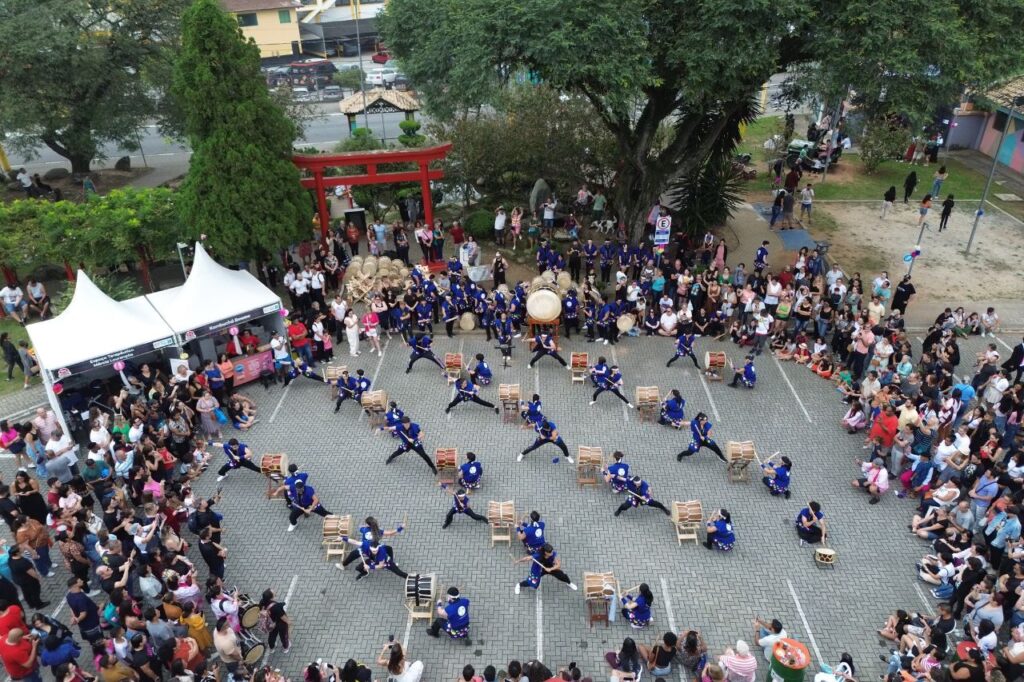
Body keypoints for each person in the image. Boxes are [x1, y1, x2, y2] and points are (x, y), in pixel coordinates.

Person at [336, 536, 408, 582]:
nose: (375, 552)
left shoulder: (381, 552)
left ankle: (409, 577)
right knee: (358, 568)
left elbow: (380, 566)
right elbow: (354, 542)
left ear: (378, 547)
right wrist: (343, 538)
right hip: (373, 560)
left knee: (398, 572)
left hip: (384, 562)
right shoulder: (365, 544)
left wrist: (370, 567)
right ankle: (365, 573)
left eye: (376, 550)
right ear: (369, 547)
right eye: (373, 550)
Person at [258, 589, 290, 653]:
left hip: (270, 623)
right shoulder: (276, 607)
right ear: (271, 597)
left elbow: (260, 609)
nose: (275, 591)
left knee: (272, 636)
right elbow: (283, 617)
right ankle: (285, 647)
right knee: (283, 636)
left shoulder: (262, 602)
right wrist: (289, 622)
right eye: (273, 592)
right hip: (280, 624)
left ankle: (271, 648)